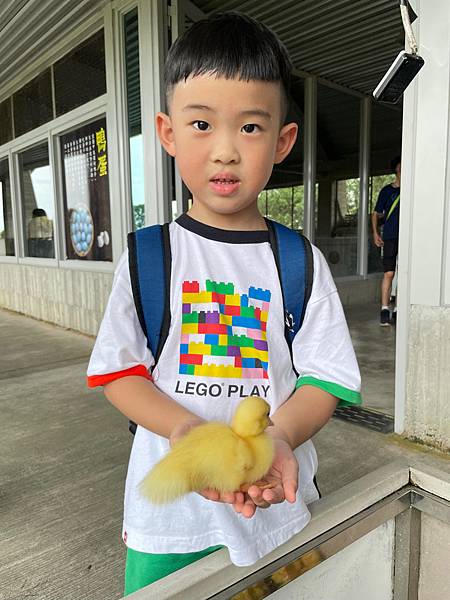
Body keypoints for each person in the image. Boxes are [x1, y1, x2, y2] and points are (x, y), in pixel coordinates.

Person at [87, 12, 361, 596]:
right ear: (167, 133)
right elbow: (120, 373)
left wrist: (281, 437)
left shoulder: (300, 262)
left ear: (283, 140)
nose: (226, 151)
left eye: (251, 128)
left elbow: (325, 378)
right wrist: (184, 430)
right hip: (171, 525)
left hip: (277, 513)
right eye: (202, 124)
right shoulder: (148, 258)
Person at [371, 157, 401, 326]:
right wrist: (375, 233)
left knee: (403, 274)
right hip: (389, 236)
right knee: (389, 273)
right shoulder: (386, 191)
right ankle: (384, 308)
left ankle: (398, 309)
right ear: (396, 168)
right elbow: (375, 213)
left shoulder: (412, 189)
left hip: (407, 238)